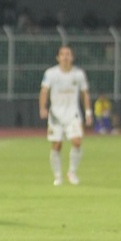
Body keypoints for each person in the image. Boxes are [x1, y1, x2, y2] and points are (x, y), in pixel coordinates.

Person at [39, 46, 92, 185]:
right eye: (62, 54)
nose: (65, 57)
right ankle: (57, 176)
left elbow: (84, 93)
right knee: (57, 145)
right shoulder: (51, 73)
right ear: (58, 57)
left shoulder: (78, 74)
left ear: (72, 57)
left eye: (68, 54)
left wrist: (88, 112)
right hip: (56, 115)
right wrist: (43, 107)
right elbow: (44, 91)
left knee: (77, 142)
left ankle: (71, 173)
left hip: (73, 113)